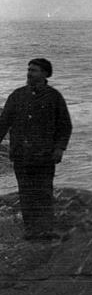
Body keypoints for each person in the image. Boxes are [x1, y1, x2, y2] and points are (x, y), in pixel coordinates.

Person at [0, 58, 73, 240]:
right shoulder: (17, 95)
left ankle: (46, 230)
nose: (29, 73)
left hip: (44, 155)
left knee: (43, 192)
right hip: (21, 155)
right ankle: (31, 231)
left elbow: (65, 125)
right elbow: (3, 123)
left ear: (45, 74)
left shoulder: (54, 97)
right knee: (26, 194)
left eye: (34, 70)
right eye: (28, 70)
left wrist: (59, 149)